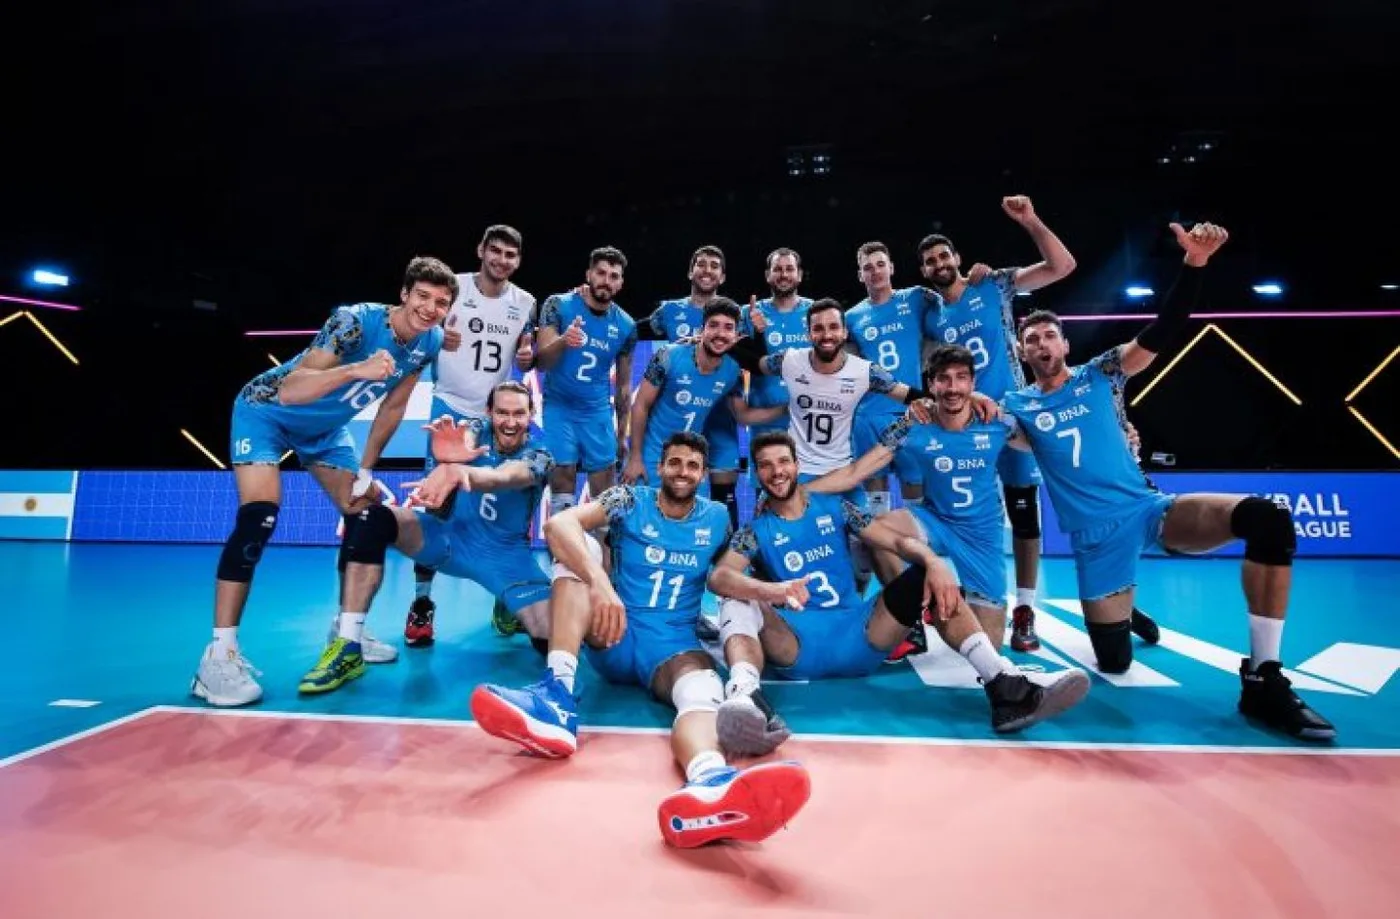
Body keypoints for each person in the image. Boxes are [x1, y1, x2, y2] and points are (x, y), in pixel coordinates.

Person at [1003, 220, 1335, 741]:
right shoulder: (1017, 408)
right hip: (1096, 541)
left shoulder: (1102, 374)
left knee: (1267, 519)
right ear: (1022, 353)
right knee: (1113, 662)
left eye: (1049, 335)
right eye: (1031, 339)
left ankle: (1263, 676)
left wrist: (1194, 264)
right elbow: (974, 429)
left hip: (1149, 510)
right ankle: (1126, 609)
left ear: (1064, 343)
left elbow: (1163, 330)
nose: (1042, 343)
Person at [470, 432, 813, 848]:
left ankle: (710, 782)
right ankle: (555, 698)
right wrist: (601, 585)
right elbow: (557, 524)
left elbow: (726, 576)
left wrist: (771, 594)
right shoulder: (629, 500)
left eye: (691, 466)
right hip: (616, 629)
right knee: (578, 554)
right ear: (659, 467)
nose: (682, 472)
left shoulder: (718, 520)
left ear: (703, 474)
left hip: (673, 646)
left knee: (703, 692)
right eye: (674, 463)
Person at [706, 429, 1090, 755]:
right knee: (736, 594)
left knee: (928, 575)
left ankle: (1005, 687)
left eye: (783, 462)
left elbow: (896, 542)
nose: (777, 472)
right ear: (756, 475)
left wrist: (933, 562)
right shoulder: (754, 531)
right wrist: (771, 590)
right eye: (767, 466)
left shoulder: (836, 509)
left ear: (797, 465)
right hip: (798, 644)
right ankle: (745, 697)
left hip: (861, 636)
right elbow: (719, 577)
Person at [191, 256, 455, 706]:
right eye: (424, 297)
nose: (431, 309)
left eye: (442, 302)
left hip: (324, 432)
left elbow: (392, 408)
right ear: (405, 294)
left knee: (365, 512)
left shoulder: (428, 342)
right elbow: (292, 389)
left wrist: (366, 470)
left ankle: (345, 635)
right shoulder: (354, 322)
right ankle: (218, 657)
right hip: (266, 414)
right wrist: (356, 369)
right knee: (260, 517)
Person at [917, 195, 1077, 651]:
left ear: (958, 259)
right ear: (925, 272)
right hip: (959, 421)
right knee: (951, 513)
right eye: (930, 261)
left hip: (1009, 415)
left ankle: (1024, 610)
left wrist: (1031, 220)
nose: (939, 263)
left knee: (1024, 514)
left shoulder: (994, 284)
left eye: (944, 255)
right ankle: (954, 599)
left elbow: (1061, 266)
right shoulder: (929, 312)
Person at [329, 381, 555, 671]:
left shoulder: (541, 454)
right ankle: (347, 640)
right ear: (489, 412)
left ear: (530, 414)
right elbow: (466, 441)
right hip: (450, 540)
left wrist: (460, 470)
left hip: (506, 557)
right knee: (369, 519)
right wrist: (452, 455)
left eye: (519, 414)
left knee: (550, 638)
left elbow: (507, 477)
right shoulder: (477, 428)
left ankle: (507, 605)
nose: (510, 422)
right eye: (501, 413)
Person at [406, 225, 538, 646]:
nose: (501, 260)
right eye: (495, 251)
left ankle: (507, 597)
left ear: (518, 261)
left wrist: (527, 357)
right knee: (435, 508)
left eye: (510, 255)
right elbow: (414, 323)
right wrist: (436, 337)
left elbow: (528, 356)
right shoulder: (452, 288)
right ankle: (422, 605)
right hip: (448, 409)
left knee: (508, 505)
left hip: (491, 418)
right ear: (481, 250)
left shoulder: (526, 303)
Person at [624, 298, 784, 484]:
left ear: (736, 335)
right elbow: (640, 406)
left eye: (728, 327)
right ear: (702, 330)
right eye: (713, 325)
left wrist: (785, 409)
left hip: (692, 460)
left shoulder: (733, 371)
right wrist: (635, 458)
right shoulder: (668, 355)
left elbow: (743, 416)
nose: (720, 333)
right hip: (653, 457)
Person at [534, 246, 637, 528]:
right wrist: (564, 340)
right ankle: (562, 561)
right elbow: (541, 361)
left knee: (605, 492)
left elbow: (625, 388)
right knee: (562, 479)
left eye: (613, 276)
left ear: (620, 283)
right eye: (601, 272)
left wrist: (621, 435)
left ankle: (604, 563)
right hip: (559, 407)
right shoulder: (559, 304)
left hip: (596, 412)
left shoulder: (626, 325)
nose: (606, 280)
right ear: (588, 274)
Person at [642, 246, 744, 528]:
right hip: (680, 410)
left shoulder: (734, 316)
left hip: (720, 410)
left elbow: (747, 356)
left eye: (714, 266)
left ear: (722, 276)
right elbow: (639, 332)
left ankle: (725, 554)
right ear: (691, 271)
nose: (707, 270)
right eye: (701, 264)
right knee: (677, 485)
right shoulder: (669, 311)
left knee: (723, 490)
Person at [844, 241, 942, 513]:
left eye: (880, 265)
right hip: (869, 415)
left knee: (914, 489)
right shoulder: (851, 317)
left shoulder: (915, 298)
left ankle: (917, 550)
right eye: (867, 267)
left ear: (891, 268)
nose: (875, 272)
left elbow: (951, 298)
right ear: (860, 275)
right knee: (876, 498)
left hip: (911, 411)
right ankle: (883, 551)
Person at [741, 248, 813, 440]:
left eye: (789, 269)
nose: (784, 274)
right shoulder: (747, 313)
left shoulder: (816, 312)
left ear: (799, 275)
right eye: (778, 269)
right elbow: (735, 356)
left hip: (810, 420)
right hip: (765, 422)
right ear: (768, 275)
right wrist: (757, 333)